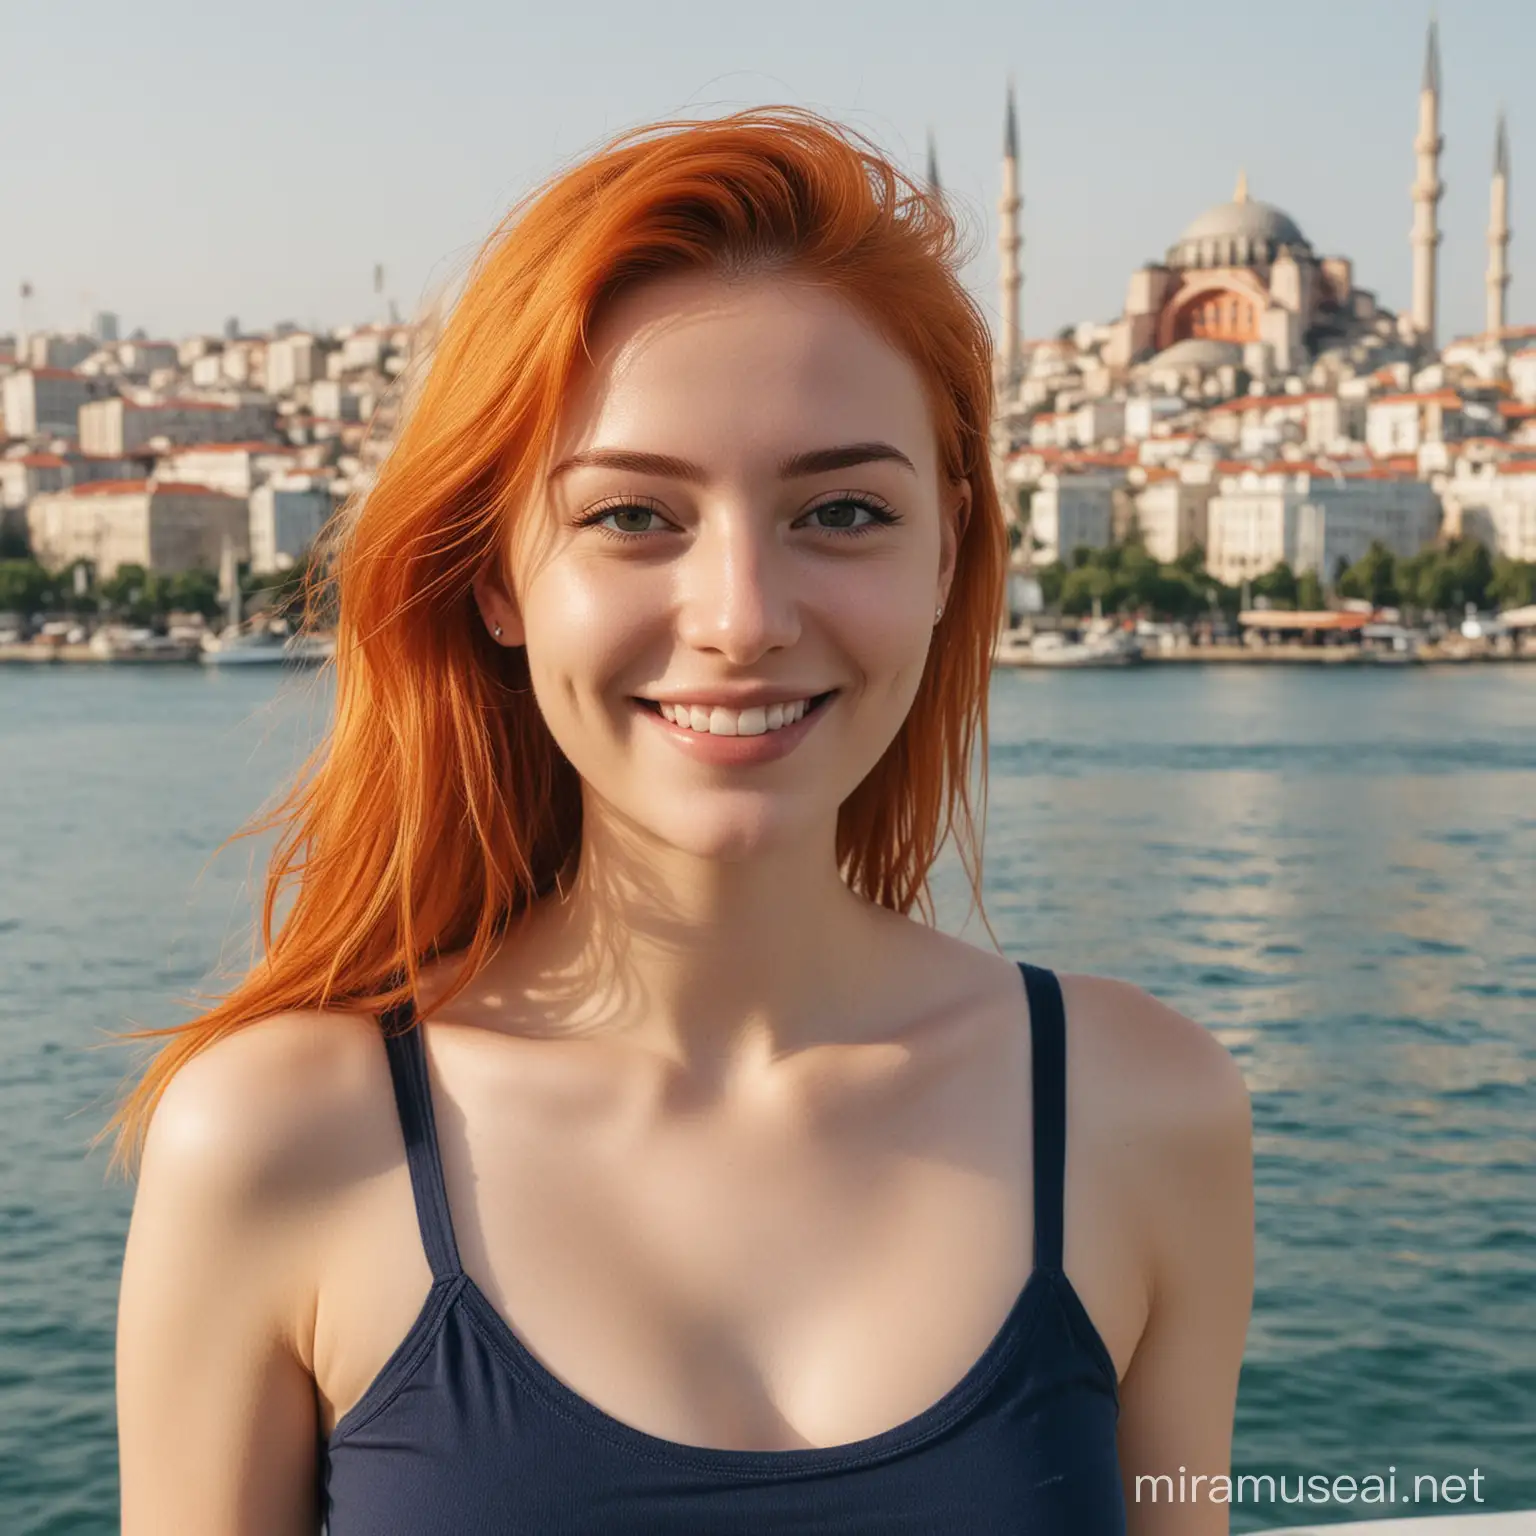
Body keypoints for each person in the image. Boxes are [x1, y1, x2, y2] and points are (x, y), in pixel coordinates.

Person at [110, 106, 1253, 1534]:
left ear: (951, 550)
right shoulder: (285, 1141)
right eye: (633, 519)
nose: (743, 620)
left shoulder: (1145, 1111)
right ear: (499, 581)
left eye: (840, 513)